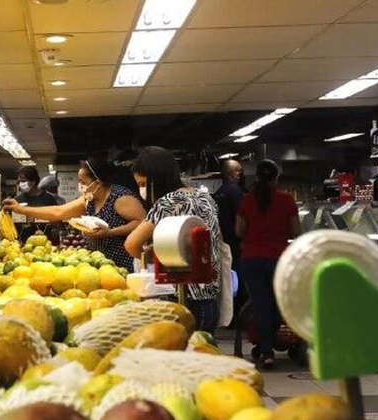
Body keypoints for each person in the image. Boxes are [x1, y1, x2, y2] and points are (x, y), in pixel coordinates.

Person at [125, 146, 223, 334]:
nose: (141, 190)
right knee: (204, 347)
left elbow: (131, 244)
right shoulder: (205, 198)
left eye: (143, 184)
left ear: (156, 179)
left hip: (182, 299)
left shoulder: (167, 203)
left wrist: (153, 258)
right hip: (209, 298)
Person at [3, 157, 146, 271]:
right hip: (99, 264)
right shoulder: (89, 199)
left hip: (123, 264)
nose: (80, 185)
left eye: (82, 181)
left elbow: (142, 222)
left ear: (97, 183)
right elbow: (59, 212)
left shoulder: (120, 198)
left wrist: (110, 232)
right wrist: (20, 209)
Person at [235, 160, 300, 370]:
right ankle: (271, 343)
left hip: (251, 259)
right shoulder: (287, 200)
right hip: (279, 259)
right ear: (276, 178)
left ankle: (266, 351)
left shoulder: (247, 200)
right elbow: (295, 232)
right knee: (277, 303)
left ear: (257, 177)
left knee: (260, 304)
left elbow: (238, 231)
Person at [214, 159, 247, 327]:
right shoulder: (235, 191)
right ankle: (238, 318)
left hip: (223, 242)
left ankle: (229, 317)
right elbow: (242, 217)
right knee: (239, 282)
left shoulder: (219, 191)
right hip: (236, 243)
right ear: (231, 173)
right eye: (238, 171)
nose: (241, 174)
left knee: (228, 281)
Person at [13, 166, 59, 243]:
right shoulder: (17, 200)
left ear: (33, 181)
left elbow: (57, 221)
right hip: (23, 243)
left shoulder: (49, 199)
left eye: (23, 181)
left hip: (46, 243)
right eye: (19, 181)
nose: (20, 184)